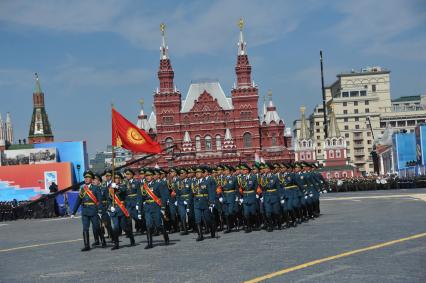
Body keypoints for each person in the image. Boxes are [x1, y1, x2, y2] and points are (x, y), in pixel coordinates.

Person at [71, 170, 105, 251]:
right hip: (85, 211)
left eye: (88, 177)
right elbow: (78, 201)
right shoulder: (83, 189)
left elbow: (100, 200)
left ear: (91, 179)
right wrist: (73, 212)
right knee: (85, 228)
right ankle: (87, 245)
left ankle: (103, 240)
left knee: (96, 227)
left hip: (93, 211)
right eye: (85, 177)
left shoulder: (96, 188)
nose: (86, 179)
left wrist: (100, 210)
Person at [138, 168, 170, 249]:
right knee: (148, 225)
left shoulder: (158, 184)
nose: (147, 177)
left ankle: (165, 236)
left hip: (156, 207)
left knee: (158, 225)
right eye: (146, 176)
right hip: (147, 207)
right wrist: (139, 210)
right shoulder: (143, 186)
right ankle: (150, 243)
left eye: (149, 175)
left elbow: (163, 196)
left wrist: (163, 207)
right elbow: (140, 198)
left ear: (152, 176)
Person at [108, 172, 135, 250]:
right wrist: (110, 207)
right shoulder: (110, 187)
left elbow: (123, 191)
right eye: (115, 178)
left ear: (120, 179)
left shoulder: (123, 185)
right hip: (114, 209)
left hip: (121, 208)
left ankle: (131, 238)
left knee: (124, 227)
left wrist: (116, 186)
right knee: (115, 227)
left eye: (118, 178)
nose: (116, 180)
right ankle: (116, 244)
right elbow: (108, 198)